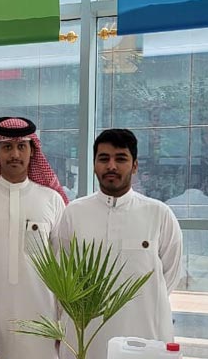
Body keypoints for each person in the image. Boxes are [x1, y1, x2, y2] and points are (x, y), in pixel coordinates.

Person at [55, 129, 182, 358]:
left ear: (134, 166)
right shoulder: (74, 213)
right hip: (85, 337)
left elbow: (169, 276)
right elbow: (61, 273)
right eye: (104, 159)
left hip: (144, 337)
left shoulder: (159, 214)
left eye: (121, 159)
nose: (111, 166)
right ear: (94, 165)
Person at [0, 117, 67, 358]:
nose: (15, 154)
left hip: (42, 320)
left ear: (33, 151)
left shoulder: (51, 200)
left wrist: (63, 323)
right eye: (7, 147)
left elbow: (63, 265)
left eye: (21, 146)